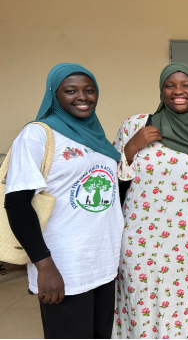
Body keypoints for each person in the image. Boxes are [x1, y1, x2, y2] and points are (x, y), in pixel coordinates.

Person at [112, 63, 188, 339]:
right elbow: (111, 183)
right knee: (142, 311)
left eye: (186, 85)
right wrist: (131, 148)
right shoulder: (136, 125)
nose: (178, 91)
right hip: (140, 245)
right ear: (161, 90)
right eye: (170, 85)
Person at [3, 63, 124, 339]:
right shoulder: (38, 135)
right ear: (53, 95)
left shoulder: (96, 137)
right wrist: (44, 266)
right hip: (63, 265)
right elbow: (18, 204)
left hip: (103, 263)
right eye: (71, 91)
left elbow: (111, 195)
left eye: (89, 90)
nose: (83, 97)